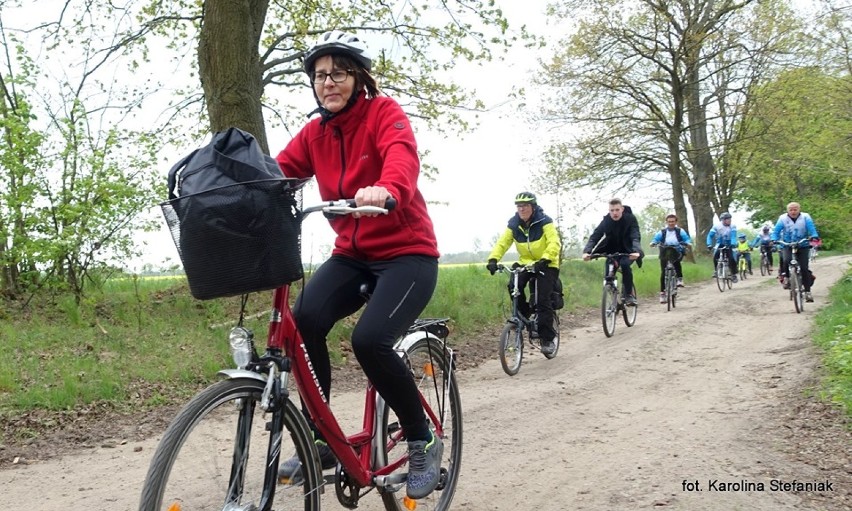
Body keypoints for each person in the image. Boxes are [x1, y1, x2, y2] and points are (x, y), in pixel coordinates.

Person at [274, 30, 442, 499]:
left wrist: (386, 188)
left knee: (370, 340)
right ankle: (321, 437)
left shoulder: (383, 114)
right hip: (353, 254)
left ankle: (420, 435)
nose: (329, 83)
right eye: (320, 75)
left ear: (358, 78)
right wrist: (234, 188)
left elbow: (401, 158)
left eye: (339, 73)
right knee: (303, 320)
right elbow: (278, 173)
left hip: (407, 253)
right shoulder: (315, 133)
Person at [486, 192, 562, 355]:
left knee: (543, 299)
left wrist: (545, 259)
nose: (521, 209)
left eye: (525, 206)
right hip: (526, 263)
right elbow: (502, 243)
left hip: (547, 264)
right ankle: (525, 315)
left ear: (533, 207)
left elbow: (554, 242)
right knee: (514, 286)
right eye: (519, 206)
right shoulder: (514, 224)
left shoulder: (544, 221)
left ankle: (547, 338)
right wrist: (493, 259)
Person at [582, 198, 643, 305]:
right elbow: (595, 236)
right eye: (612, 210)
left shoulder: (630, 219)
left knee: (624, 265)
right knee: (608, 274)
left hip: (628, 251)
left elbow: (635, 235)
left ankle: (628, 294)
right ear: (609, 210)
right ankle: (612, 295)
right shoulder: (606, 221)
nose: (614, 213)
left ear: (622, 209)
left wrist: (636, 250)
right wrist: (587, 251)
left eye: (617, 210)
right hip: (611, 251)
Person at [771, 202, 820, 302]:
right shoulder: (782, 218)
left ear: (799, 209)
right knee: (786, 260)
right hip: (787, 244)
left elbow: (811, 228)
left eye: (795, 209)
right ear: (787, 210)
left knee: (804, 268)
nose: (793, 211)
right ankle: (787, 277)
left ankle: (807, 292)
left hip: (802, 245)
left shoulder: (806, 217)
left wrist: (814, 235)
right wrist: (774, 239)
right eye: (791, 210)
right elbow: (776, 231)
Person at [649, 214, 692, 303]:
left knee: (676, 263)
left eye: (673, 221)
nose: (671, 223)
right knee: (663, 272)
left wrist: (688, 243)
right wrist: (653, 243)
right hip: (665, 251)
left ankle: (679, 278)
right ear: (666, 222)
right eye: (669, 222)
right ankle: (662, 293)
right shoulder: (662, 232)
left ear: (676, 222)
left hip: (676, 250)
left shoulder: (680, 231)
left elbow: (686, 239)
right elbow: (656, 239)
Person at [705, 212, 738, 283]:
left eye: (730, 219)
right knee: (715, 256)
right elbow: (710, 236)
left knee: (731, 258)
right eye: (728, 219)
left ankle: (734, 274)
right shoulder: (716, 226)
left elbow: (733, 236)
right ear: (723, 220)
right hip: (720, 243)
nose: (729, 220)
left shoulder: (733, 226)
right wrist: (709, 244)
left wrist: (733, 243)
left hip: (729, 243)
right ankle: (716, 270)